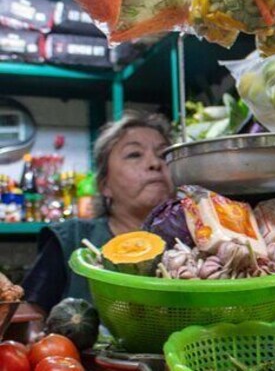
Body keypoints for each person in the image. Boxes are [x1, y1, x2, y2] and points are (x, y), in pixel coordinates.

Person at [22, 111, 174, 316]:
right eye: (134, 154)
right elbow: (28, 318)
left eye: (164, 154)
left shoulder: (195, 247)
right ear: (105, 186)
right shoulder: (72, 241)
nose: (155, 163)